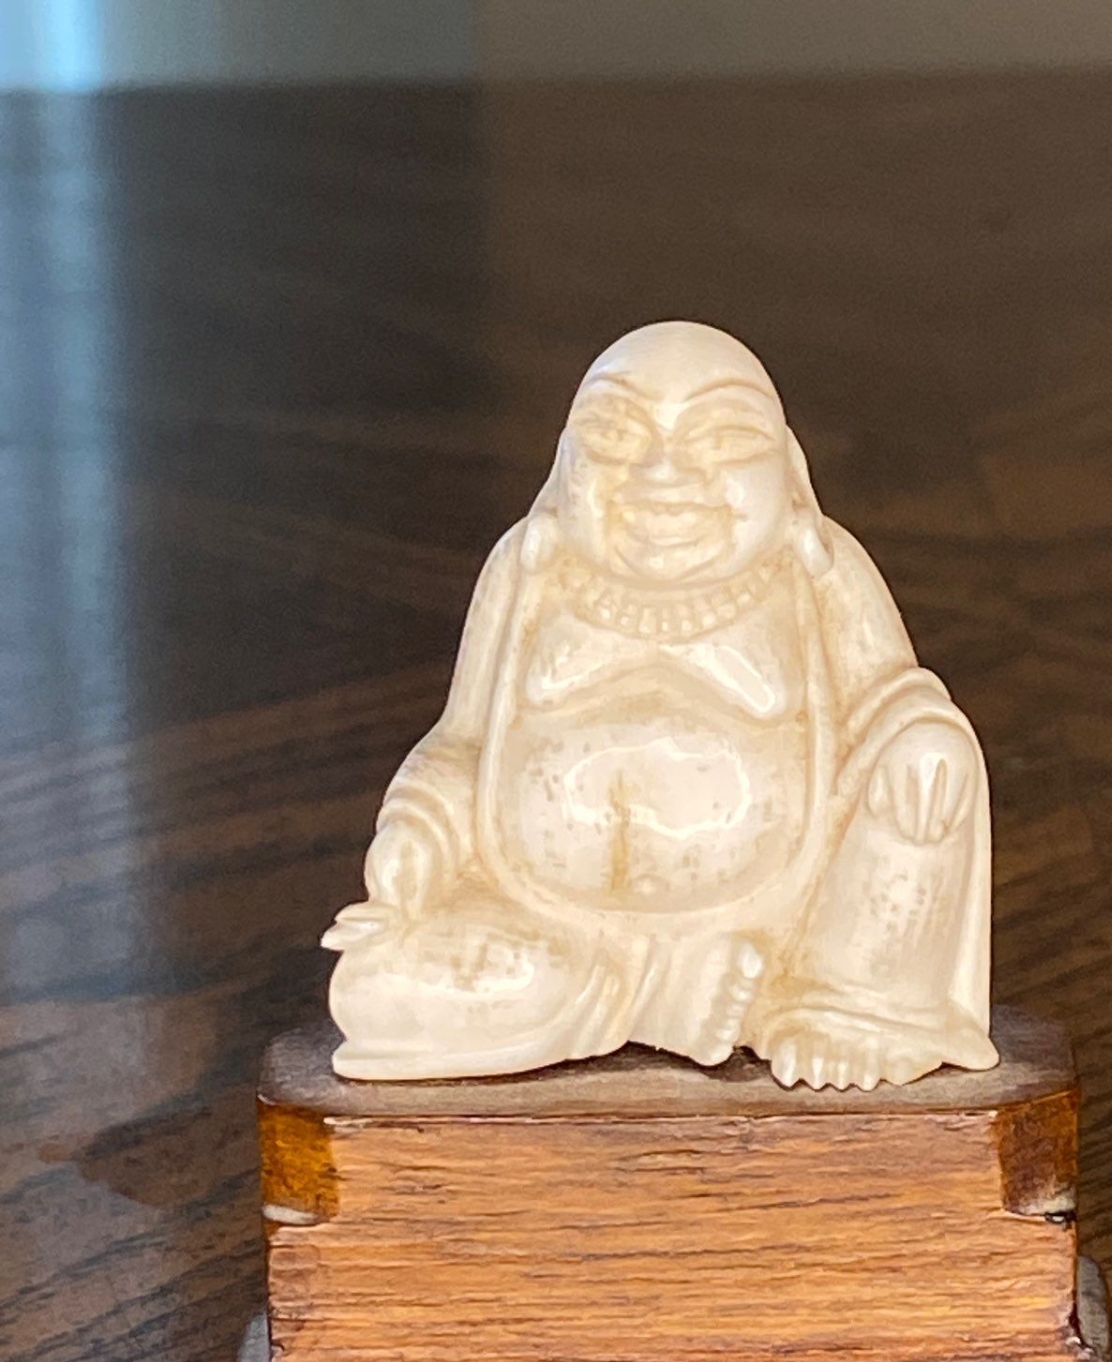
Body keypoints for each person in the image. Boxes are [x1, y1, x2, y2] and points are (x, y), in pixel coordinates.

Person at [324, 321, 996, 1090]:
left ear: (789, 474)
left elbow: (897, 702)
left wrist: (923, 745)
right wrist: (418, 834)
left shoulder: (818, 573)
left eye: (723, 438)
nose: (664, 474)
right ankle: (657, 1001)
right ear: (564, 464)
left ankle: (843, 1003)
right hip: (541, 926)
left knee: (929, 765)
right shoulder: (527, 570)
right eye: (616, 435)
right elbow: (462, 743)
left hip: (772, 907)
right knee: (368, 989)